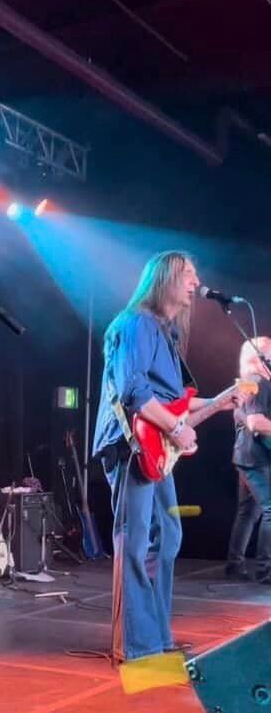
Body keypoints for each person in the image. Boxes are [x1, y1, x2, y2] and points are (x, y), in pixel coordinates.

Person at [93, 251, 238, 664]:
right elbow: (134, 391)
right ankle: (139, 646)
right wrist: (175, 429)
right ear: (164, 279)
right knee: (137, 540)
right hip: (130, 445)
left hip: (155, 448)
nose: (196, 282)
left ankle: (155, 636)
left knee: (167, 536)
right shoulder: (136, 323)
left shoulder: (164, 332)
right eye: (187, 273)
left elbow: (174, 402)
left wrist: (221, 400)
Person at [229, 337, 271, 583]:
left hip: (246, 455)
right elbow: (256, 423)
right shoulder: (257, 382)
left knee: (248, 512)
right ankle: (267, 570)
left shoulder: (247, 383)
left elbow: (240, 416)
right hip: (255, 458)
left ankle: (235, 565)